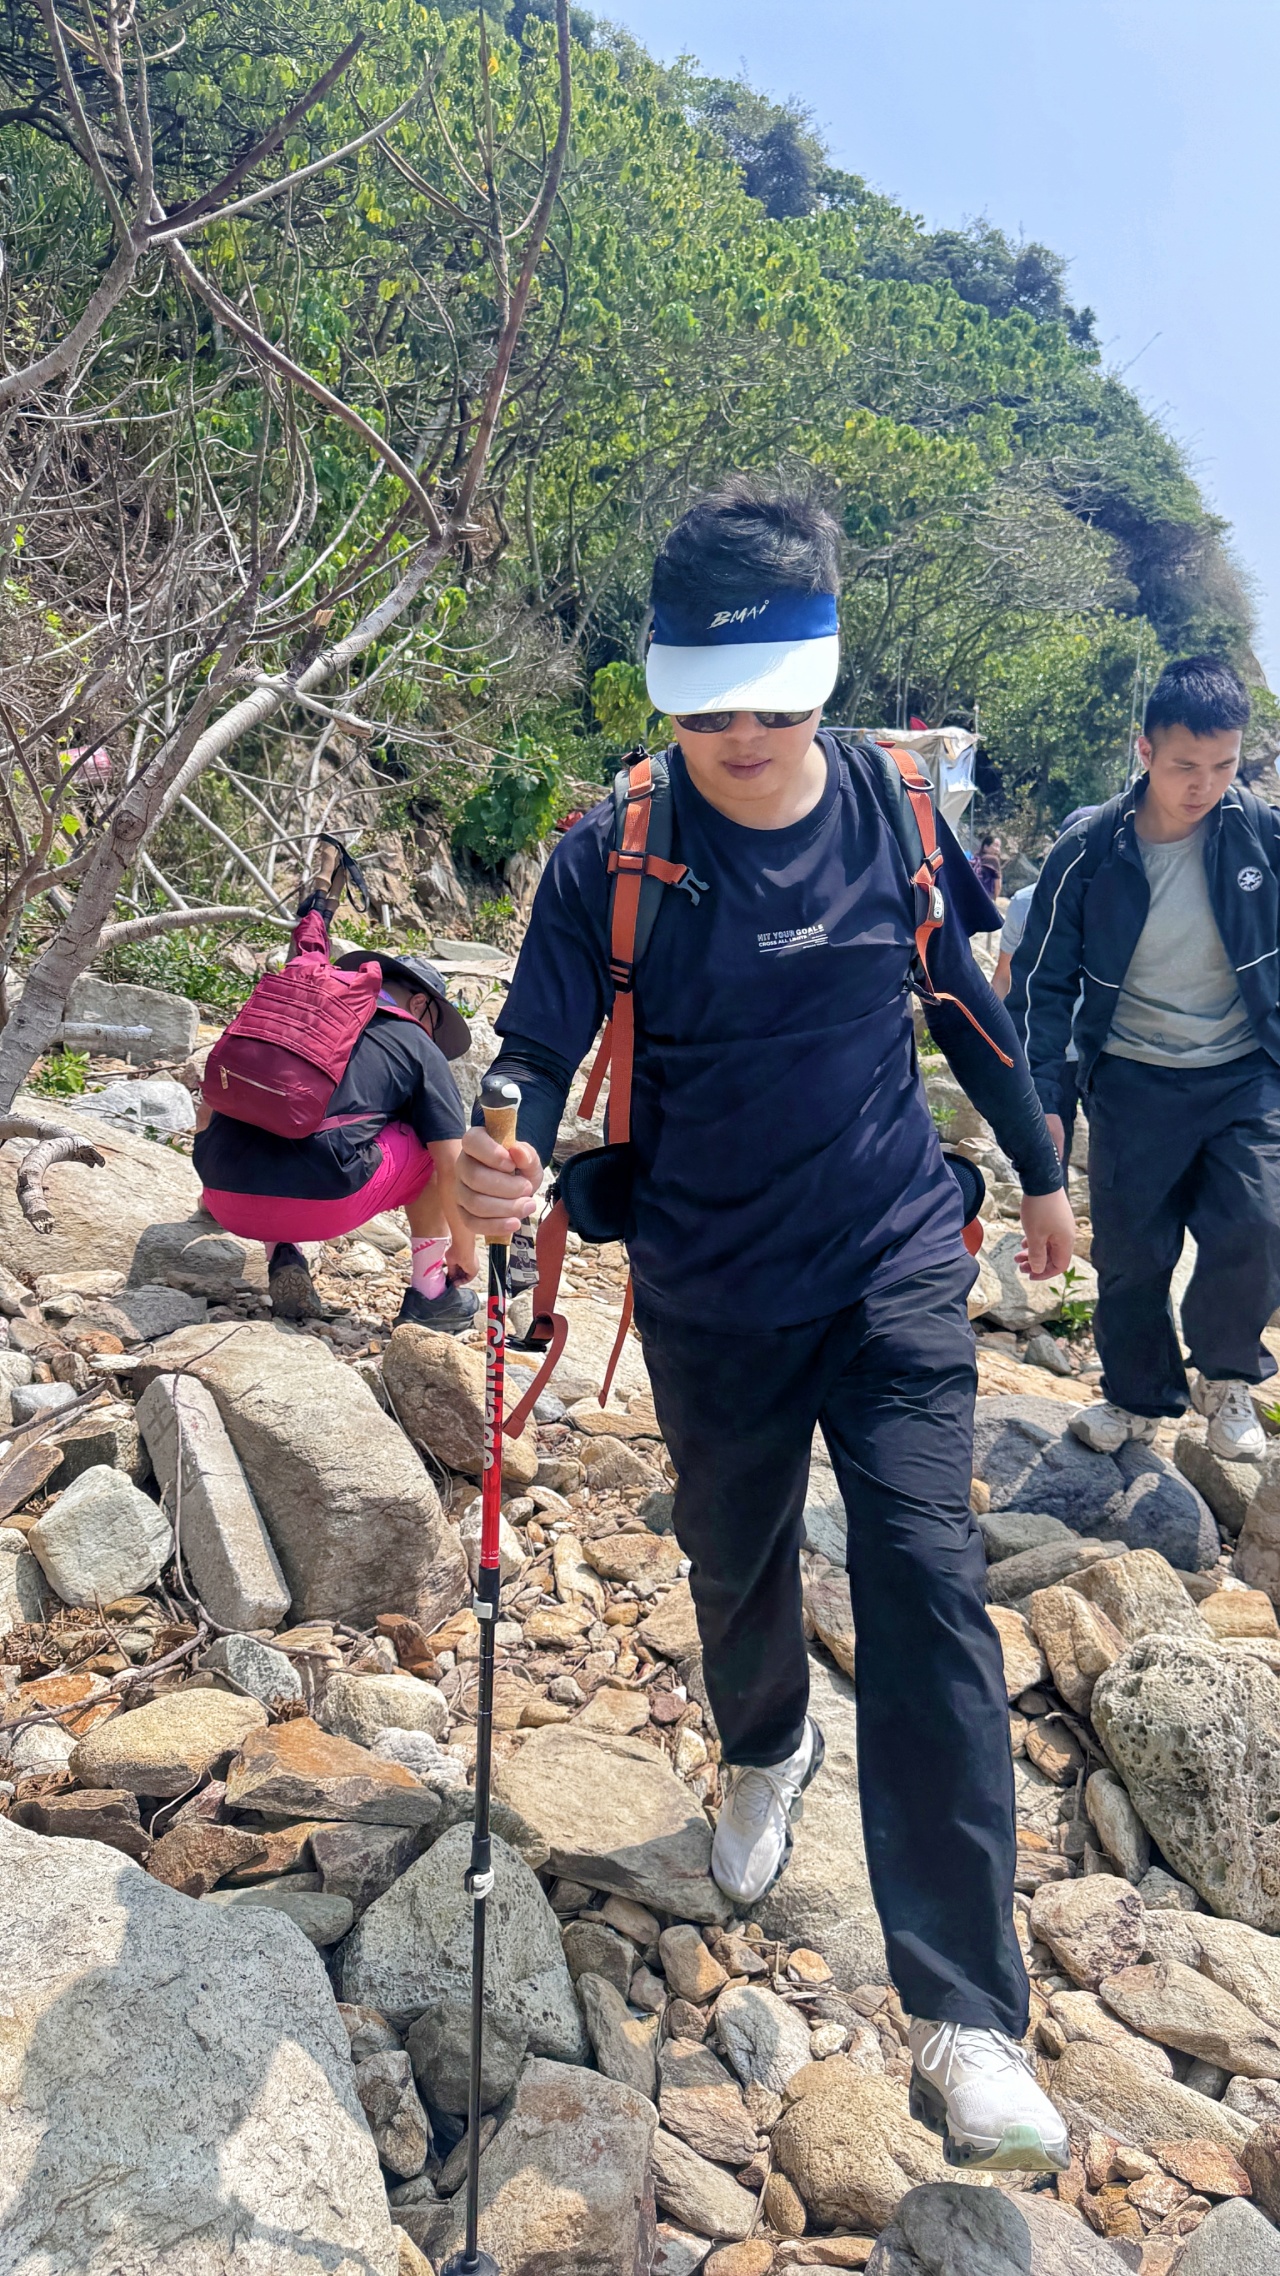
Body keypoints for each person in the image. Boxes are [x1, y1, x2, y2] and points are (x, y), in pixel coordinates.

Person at [455, 478, 1077, 2173]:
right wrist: (496, 1150)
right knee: (732, 1561)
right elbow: (531, 1049)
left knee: (928, 1584)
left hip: (891, 1261)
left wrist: (1039, 1170)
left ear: (827, 676)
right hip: (710, 1281)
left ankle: (968, 2019)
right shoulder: (615, 858)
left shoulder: (891, 808)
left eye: (775, 703)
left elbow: (962, 998)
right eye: (708, 705)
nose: (741, 736)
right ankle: (764, 1748)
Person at [1008, 655, 1279, 1463]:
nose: (1205, 785)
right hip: (1131, 1076)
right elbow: (1041, 984)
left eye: (1224, 766)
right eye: (1186, 765)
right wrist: (1044, 1103)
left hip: (1245, 1071)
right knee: (1131, 1253)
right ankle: (1135, 1395)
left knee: (1260, 1223)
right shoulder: (1089, 849)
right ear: (1145, 750)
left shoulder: (1263, 835)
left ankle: (1226, 1376)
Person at [195, 842, 479, 1329]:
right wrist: (465, 1247)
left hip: (224, 1196)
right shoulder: (414, 1041)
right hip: (317, 1204)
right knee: (432, 1143)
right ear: (420, 1006)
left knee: (272, 1101)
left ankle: (282, 1254)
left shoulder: (304, 1009)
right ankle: (431, 1294)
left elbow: (210, 1100)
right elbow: (451, 1162)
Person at [992, 809, 1097, 1170]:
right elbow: (1004, 976)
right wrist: (995, 1041)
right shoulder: (1025, 903)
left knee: (1112, 1156)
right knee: (1050, 1153)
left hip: (1100, 1050)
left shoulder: (1117, 903)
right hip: (1047, 1052)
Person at [971, 832, 1003, 898]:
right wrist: (994, 899)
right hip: (985, 896)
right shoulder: (993, 860)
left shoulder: (975, 857)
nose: (998, 850)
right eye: (995, 846)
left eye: (999, 847)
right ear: (985, 847)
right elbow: (998, 885)